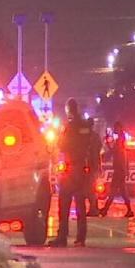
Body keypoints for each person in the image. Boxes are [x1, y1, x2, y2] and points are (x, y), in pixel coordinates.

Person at [49, 98, 94, 247]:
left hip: (70, 168)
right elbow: (91, 143)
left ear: (69, 109)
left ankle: (62, 236)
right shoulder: (85, 125)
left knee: (64, 203)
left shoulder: (69, 126)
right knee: (80, 204)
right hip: (82, 168)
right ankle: (81, 237)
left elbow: (61, 145)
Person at [99, 122, 135, 218]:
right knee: (122, 192)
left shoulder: (120, 141)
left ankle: (105, 210)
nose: (114, 129)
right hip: (120, 170)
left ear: (119, 128)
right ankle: (129, 210)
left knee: (113, 191)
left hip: (119, 170)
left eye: (116, 127)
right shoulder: (121, 140)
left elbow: (112, 152)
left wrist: (107, 142)